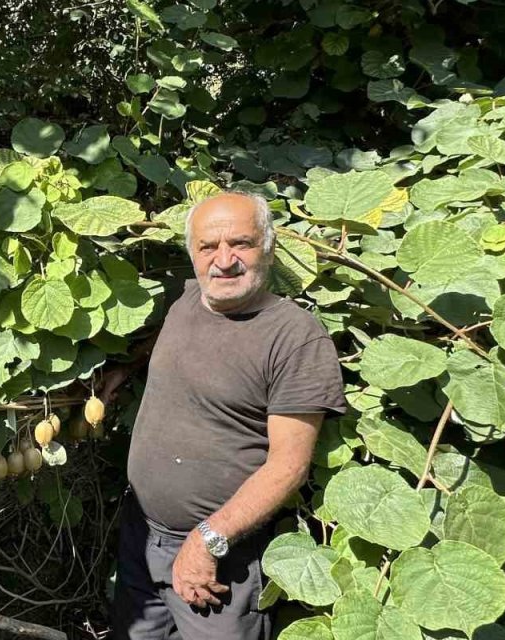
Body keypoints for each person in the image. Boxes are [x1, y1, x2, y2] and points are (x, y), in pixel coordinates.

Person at [102, 192, 346, 639]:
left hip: (219, 561)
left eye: (241, 243)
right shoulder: (189, 299)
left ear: (268, 249)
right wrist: (128, 366)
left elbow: (288, 466)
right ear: (192, 253)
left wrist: (207, 541)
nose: (225, 260)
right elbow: (186, 350)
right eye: (208, 247)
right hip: (141, 537)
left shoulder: (295, 339)